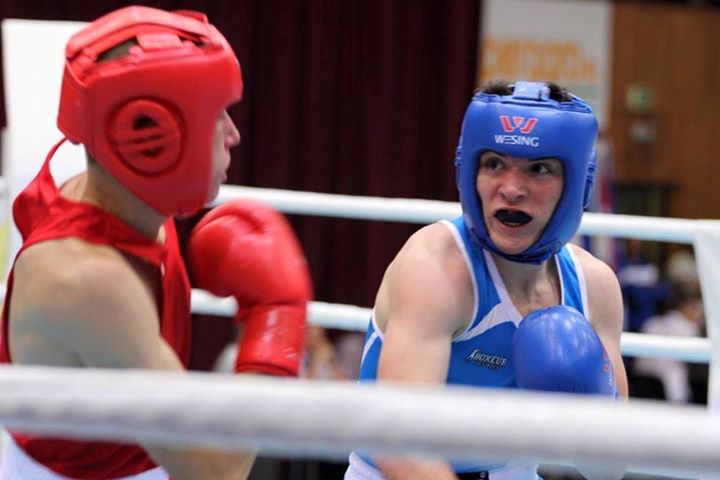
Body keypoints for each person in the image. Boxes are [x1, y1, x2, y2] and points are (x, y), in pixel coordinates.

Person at [0, 6, 311, 480]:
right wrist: (277, 319)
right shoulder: (86, 280)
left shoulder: (120, 197)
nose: (234, 135)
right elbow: (216, 472)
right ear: (153, 135)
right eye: (217, 115)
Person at [344, 81, 628, 480]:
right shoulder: (436, 267)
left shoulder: (594, 286)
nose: (511, 189)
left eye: (539, 168)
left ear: (576, 183)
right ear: (468, 170)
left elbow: (608, 469)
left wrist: (593, 400)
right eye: (494, 163)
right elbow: (399, 448)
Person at [634, 282, 705, 403]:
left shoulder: (651, 322)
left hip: (640, 388)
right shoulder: (687, 328)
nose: (698, 314)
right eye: (696, 308)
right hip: (670, 392)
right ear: (687, 306)